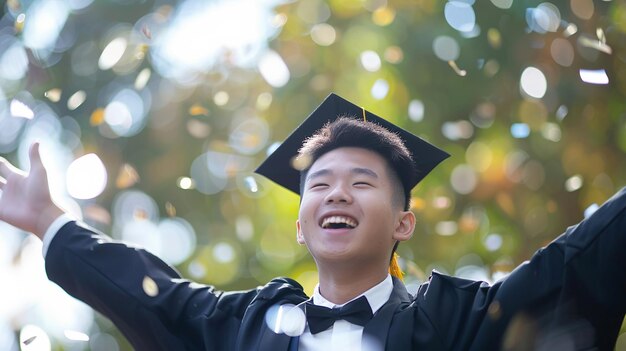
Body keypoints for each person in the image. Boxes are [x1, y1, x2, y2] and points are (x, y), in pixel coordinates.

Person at [0, 93, 624, 350]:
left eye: (361, 183)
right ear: (300, 226)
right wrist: (51, 223)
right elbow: (152, 294)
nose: (336, 195)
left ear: (404, 223)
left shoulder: (457, 322)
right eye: (319, 184)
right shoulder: (244, 330)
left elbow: (571, 267)